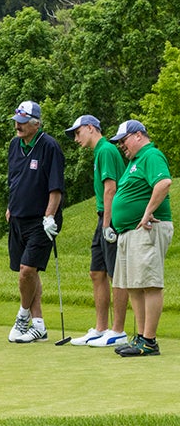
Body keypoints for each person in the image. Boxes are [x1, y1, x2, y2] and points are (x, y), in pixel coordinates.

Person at [106, 120, 173, 357]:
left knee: (149, 283)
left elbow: (164, 182)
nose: (121, 146)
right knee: (134, 285)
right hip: (129, 232)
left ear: (137, 135)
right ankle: (141, 338)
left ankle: (150, 340)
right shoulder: (134, 162)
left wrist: (146, 213)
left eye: (123, 140)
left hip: (148, 229)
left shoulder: (151, 155)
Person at [63, 115, 129, 347]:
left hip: (110, 218)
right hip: (104, 217)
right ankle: (101, 329)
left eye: (78, 133)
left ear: (91, 128)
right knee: (97, 272)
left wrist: (107, 224)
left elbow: (110, 188)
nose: (76, 138)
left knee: (115, 274)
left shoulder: (106, 150)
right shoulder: (100, 151)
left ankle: (118, 330)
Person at [6, 100, 66, 343]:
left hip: (42, 221)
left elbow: (56, 188)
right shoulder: (14, 145)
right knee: (29, 274)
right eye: (17, 122)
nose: (18, 126)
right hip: (18, 217)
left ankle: (22, 316)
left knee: (27, 270)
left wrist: (50, 216)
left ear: (36, 123)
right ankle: (38, 324)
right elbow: (15, 179)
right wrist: (11, 206)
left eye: (22, 122)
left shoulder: (49, 146)